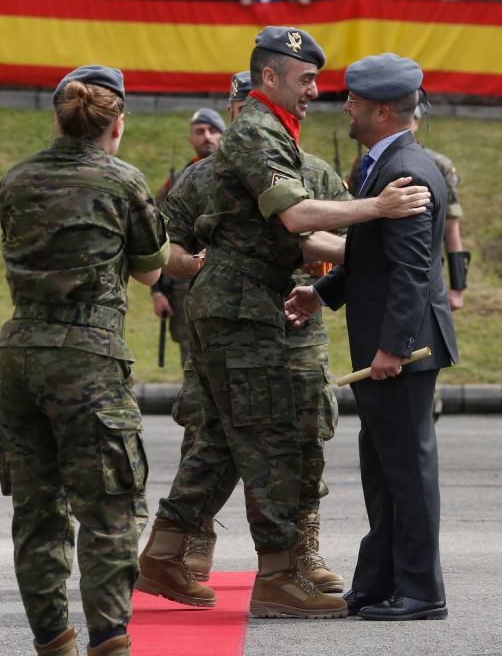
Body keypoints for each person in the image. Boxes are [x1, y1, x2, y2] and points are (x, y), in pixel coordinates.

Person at [136, 27, 431, 620]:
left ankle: (169, 550)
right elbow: (296, 216)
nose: (316, 92)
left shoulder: (283, 139)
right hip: (243, 312)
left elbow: (302, 233)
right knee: (270, 439)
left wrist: (357, 251)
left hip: (249, 305)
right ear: (267, 79)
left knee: (226, 435)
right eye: (305, 80)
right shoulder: (255, 131)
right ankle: (277, 575)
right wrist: (378, 209)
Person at [0, 65, 170, 656]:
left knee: (37, 510)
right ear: (116, 123)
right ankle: (108, 641)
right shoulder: (123, 180)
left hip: (18, 357)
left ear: (58, 117)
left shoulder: (16, 179)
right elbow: (151, 268)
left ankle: (54, 643)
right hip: (88, 359)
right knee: (110, 507)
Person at [159, 70, 350, 593]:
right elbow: (165, 246)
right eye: (242, 109)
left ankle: (302, 548)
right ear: (234, 111)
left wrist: (322, 278)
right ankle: (194, 544)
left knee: (306, 433)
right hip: (232, 323)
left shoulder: (315, 174)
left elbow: (340, 243)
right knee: (210, 428)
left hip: (296, 325)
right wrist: (204, 269)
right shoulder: (200, 178)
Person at [285, 53, 458, 620]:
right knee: (382, 468)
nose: (346, 109)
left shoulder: (405, 170)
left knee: (407, 469)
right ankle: (380, 579)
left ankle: (421, 591)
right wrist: (324, 294)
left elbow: (412, 271)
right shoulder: (381, 164)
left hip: (403, 348)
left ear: (383, 111)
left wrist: (393, 347)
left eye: (354, 102)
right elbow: (373, 258)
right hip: (390, 342)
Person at [152, 108, 226, 368]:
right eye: (199, 131)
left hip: (230, 281)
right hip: (186, 284)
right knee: (193, 364)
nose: (207, 136)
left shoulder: (235, 175)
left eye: (212, 130)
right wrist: (158, 291)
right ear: (190, 140)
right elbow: (159, 238)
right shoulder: (176, 182)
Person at [412, 105, 470, 420]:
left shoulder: (438, 165)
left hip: (426, 275)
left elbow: (452, 229)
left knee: (425, 349)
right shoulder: (366, 161)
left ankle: (427, 410)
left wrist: (458, 288)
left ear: (418, 123)